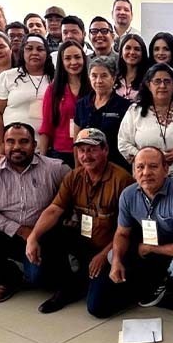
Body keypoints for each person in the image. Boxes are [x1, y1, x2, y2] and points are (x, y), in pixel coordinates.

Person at [26, 128, 136, 314]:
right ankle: (69, 286)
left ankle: (128, 288)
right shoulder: (74, 176)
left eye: (92, 150)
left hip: (112, 248)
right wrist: (33, 237)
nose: (86, 156)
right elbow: (54, 210)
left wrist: (103, 255)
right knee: (48, 236)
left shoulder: (122, 180)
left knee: (97, 308)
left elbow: (129, 230)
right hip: (83, 241)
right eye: (81, 150)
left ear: (105, 150)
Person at [93, 147, 173, 319]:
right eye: (140, 167)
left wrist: (149, 248)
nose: (146, 173)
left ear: (166, 170)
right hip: (157, 242)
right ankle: (158, 283)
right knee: (112, 255)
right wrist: (116, 261)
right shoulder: (128, 195)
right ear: (133, 171)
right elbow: (122, 233)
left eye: (153, 166)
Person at [0, 122, 71, 309]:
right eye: (10, 142)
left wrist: (39, 233)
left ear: (34, 144)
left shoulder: (56, 169)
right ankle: (8, 277)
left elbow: (72, 201)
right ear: (2, 144)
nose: (17, 147)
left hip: (42, 236)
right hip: (7, 234)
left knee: (40, 281)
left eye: (24, 141)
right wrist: (20, 230)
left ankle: (34, 271)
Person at [118, 64, 173, 190]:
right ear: (148, 85)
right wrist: (148, 157)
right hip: (146, 178)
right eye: (157, 81)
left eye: (167, 81)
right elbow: (123, 143)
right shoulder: (135, 111)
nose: (162, 86)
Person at [0, 33, 54, 154]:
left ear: (47, 54)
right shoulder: (8, 76)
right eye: (29, 49)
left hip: (48, 149)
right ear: (22, 52)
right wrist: (0, 145)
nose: (34, 52)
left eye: (40, 49)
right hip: (14, 149)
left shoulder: (56, 79)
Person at [38, 40, 92, 166]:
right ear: (61, 62)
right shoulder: (53, 90)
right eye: (68, 58)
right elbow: (47, 126)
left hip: (89, 153)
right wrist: (42, 160)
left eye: (77, 57)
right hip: (60, 153)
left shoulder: (93, 87)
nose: (73, 62)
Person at [74, 56, 131, 170]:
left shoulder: (125, 106)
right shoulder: (81, 104)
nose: (98, 81)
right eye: (94, 76)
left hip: (116, 167)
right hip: (87, 166)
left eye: (104, 75)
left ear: (114, 78)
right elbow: (76, 138)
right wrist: (78, 169)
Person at [114, 34, 149, 101]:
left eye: (137, 49)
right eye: (128, 48)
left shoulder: (148, 80)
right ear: (121, 52)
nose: (132, 52)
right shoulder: (114, 79)